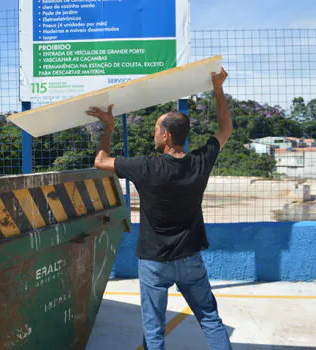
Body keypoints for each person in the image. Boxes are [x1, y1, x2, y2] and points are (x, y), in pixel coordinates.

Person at [86, 68, 233, 350]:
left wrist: (109, 126)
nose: (154, 133)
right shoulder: (200, 162)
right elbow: (225, 128)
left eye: (156, 129)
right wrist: (217, 88)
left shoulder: (146, 167)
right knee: (210, 319)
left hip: (154, 262)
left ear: (165, 135)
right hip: (190, 259)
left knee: (154, 332)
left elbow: (100, 160)